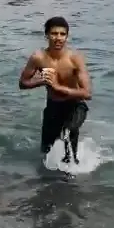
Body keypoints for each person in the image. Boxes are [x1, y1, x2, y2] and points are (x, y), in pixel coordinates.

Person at [18, 16, 92, 164]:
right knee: (46, 152)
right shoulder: (38, 58)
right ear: (46, 35)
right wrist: (41, 81)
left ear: (67, 36)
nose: (58, 38)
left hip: (75, 106)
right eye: (54, 34)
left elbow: (87, 93)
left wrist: (58, 87)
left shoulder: (75, 58)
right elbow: (23, 83)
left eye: (62, 34)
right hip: (53, 106)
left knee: (68, 136)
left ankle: (72, 179)